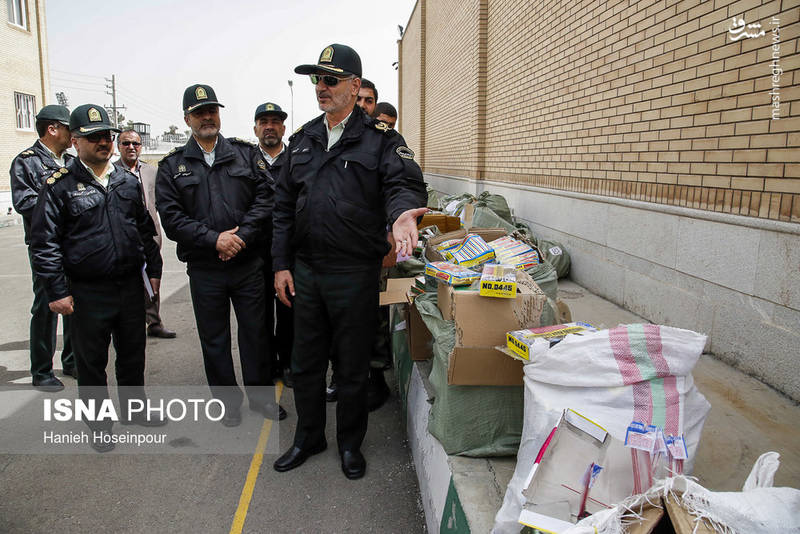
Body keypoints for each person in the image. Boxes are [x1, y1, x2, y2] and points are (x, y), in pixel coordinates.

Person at [272, 44, 427, 479]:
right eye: (317, 80)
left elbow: (404, 184)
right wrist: (281, 265)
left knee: (353, 364)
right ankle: (309, 437)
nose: (321, 87)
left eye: (331, 79)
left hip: (354, 272)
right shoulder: (302, 140)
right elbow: (282, 207)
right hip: (306, 271)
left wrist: (400, 215)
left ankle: (350, 444)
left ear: (354, 85)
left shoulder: (381, 140)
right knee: (305, 362)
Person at [30, 104, 164, 452]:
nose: (104, 142)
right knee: (92, 363)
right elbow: (44, 242)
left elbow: (144, 229)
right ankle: (100, 424)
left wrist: (154, 273)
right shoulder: (59, 186)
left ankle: (135, 411)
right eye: (94, 137)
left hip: (129, 286)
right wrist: (57, 291)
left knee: (133, 354)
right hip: (87, 292)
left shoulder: (124, 180)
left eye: (107, 135)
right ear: (75, 141)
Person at [156, 84, 285, 426]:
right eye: (199, 112)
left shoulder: (245, 154)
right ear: (187, 119)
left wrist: (240, 237)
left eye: (212, 110)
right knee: (214, 338)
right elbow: (171, 218)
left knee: (256, 334)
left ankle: (261, 400)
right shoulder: (173, 166)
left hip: (247, 264)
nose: (207, 117)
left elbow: (265, 200)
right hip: (205, 268)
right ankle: (227, 403)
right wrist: (214, 240)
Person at [9, 104, 77, 391]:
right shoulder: (26, 162)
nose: (73, 134)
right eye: (68, 128)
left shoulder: (73, 161)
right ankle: (42, 370)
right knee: (47, 306)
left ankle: (73, 360)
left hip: (75, 243)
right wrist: (61, 204)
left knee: (75, 302)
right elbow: (24, 202)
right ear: (53, 129)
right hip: (46, 246)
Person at [114, 129, 176, 339]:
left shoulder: (151, 172)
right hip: (124, 237)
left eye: (135, 144)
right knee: (129, 284)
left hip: (151, 236)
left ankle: (154, 322)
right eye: (126, 143)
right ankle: (130, 327)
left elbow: (162, 203)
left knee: (152, 280)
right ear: (118, 146)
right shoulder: (112, 172)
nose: (131, 147)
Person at [253, 102, 293, 388]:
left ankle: (290, 363)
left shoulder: (296, 158)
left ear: (283, 128)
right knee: (259, 316)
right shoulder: (243, 159)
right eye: (264, 121)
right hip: (254, 251)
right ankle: (269, 365)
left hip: (289, 252)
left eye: (275, 121)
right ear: (255, 128)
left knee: (290, 311)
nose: (270, 126)